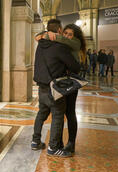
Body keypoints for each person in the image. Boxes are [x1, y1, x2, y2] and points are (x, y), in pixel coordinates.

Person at [32, 19, 81, 158]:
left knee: (42, 113)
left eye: (69, 34)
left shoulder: (40, 45)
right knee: (58, 115)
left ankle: (35, 141)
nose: (65, 36)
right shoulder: (59, 47)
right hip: (55, 87)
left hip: (42, 87)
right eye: (63, 32)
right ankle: (53, 148)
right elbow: (75, 67)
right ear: (59, 30)